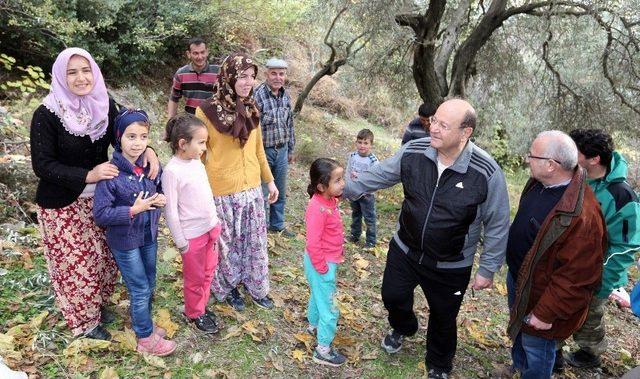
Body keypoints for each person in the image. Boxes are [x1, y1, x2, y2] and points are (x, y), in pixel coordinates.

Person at [343, 98, 510, 378]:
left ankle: (439, 364)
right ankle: (404, 326)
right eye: (434, 121)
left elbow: (498, 223)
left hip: (451, 264)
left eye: (443, 125)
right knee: (393, 296)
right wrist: (340, 189)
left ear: (465, 132)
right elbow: (378, 175)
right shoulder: (414, 151)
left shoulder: (486, 171)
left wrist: (488, 268)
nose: (433, 128)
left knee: (444, 318)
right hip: (405, 249)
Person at [30, 47, 159, 340]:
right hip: (63, 204)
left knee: (104, 259)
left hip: (103, 198)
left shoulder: (103, 103)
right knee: (78, 265)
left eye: (85, 70)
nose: (80, 78)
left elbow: (124, 134)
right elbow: (43, 165)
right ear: (61, 77)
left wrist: (148, 149)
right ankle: (85, 323)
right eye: (71, 72)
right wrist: (88, 175)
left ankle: (96, 308)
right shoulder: (47, 114)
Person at [505, 130, 606, 379]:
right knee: (519, 334)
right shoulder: (540, 183)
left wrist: (545, 313)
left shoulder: (583, 215)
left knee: (537, 347)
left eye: (532, 155)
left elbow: (577, 278)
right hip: (521, 281)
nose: (527, 159)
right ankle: (519, 369)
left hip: (544, 298)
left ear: (551, 165)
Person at [196, 53, 278, 312]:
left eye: (252, 77)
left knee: (254, 243)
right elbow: (198, 153)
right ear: (229, 76)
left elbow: (259, 149)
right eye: (242, 76)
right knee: (226, 244)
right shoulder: (206, 110)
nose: (248, 82)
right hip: (221, 190)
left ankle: (255, 286)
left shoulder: (252, 108)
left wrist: (270, 181)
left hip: (251, 188)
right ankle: (229, 287)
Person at [93, 108, 176, 356]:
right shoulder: (111, 175)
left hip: (148, 236)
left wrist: (159, 197)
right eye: (131, 137)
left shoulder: (149, 167)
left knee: (150, 282)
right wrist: (132, 210)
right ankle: (144, 338)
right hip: (125, 242)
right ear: (119, 138)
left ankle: (144, 324)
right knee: (139, 287)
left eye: (143, 136)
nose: (137, 143)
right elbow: (101, 214)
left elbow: (159, 188)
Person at [559, 129, 640, 368]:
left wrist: (603, 280)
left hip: (596, 274)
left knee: (589, 316)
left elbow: (626, 246)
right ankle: (551, 351)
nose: (569, 155)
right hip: (565, 265)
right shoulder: (572, 176)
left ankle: (590, 353)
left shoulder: (622, 196)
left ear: (594, 159)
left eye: (576, 152)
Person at [162, 114, 222, 334]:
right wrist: (181, 242)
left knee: (208, 272)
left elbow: (205, 193)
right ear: (182, 144)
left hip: (210, 230)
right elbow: (171, 211)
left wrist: (215, 222)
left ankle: (201, 306)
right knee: (194, 278)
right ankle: (194, 312)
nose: (204, 148)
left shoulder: (196, 161)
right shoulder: (172, 171)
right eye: (201, 143)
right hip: (192, 237)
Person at [304, 158, 347, 367]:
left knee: (317, 294)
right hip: (321, 262)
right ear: (322, 186)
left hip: (325, 260)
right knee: (329, 306)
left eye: (342, 178)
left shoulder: (329, 200)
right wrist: (322, 268)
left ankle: (312, 324)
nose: (343, 183)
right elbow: (313, 243)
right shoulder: (317, 208)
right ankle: (323, 349)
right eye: (337, 180)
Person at [254, 58, 295, 236]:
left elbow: (290, 124)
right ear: (266, 74)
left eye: (281, 74)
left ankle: (277, 224)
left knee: (280, 188)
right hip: (264, 151)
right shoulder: (257, 96)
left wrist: (291, 149)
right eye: (273, 73)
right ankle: (260, 227)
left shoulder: (286, 97)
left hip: (282, 149)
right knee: (263, 190)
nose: (278, 77)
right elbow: (252, 129)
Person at [167, 37, 219, 118]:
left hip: (213, 122)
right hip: (191, 123)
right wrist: (170, 122)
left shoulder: (218, 72)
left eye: (202, 52)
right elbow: (174, 98)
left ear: (207, 52)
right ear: (188, 54)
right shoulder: (181, 74)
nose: (200, 57)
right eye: (195, 53)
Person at [346, 129, 379, 247]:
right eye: (360, 142)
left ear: (371, 145)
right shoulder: (353, 156)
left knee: (369, 218)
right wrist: (348, 186)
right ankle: (355, 235)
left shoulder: (373, 161)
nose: (362, 145)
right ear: (356, 143)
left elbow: (375, 179)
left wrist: (369, 191)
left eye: (366, 143)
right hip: (354, 192)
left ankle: (371, 241)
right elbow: (348, 171)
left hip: (366, 195)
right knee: (356, 214)